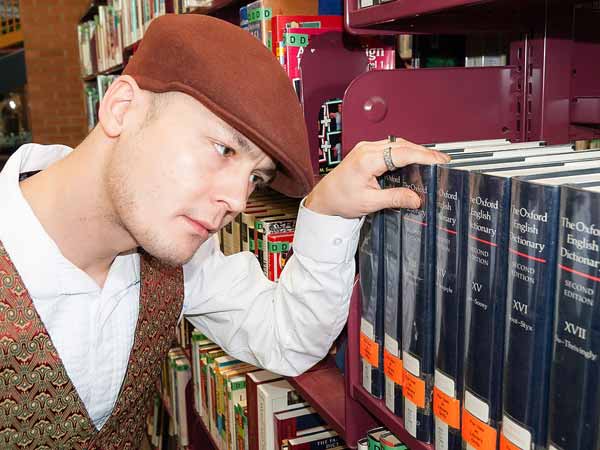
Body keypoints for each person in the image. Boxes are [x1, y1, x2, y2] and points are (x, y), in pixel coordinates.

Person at [0, 14, 449, 449]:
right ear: (122, 108)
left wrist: (329, 211)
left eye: (255, 178)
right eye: (223, 149)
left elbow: (286, 338)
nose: (237, 200)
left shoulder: (179, 256)